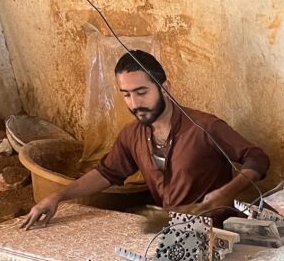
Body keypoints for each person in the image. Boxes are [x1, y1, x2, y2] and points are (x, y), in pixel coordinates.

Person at [22, 51, 269, 229]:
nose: (135, 103)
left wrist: (226, 192)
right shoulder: (132, 135)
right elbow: (107, 173)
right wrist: (58, 197)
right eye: (126, 95)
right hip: (170, 229)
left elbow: (257, 158)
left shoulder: (204, 127)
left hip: (217, 231)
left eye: (142, 93)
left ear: (165, 88)